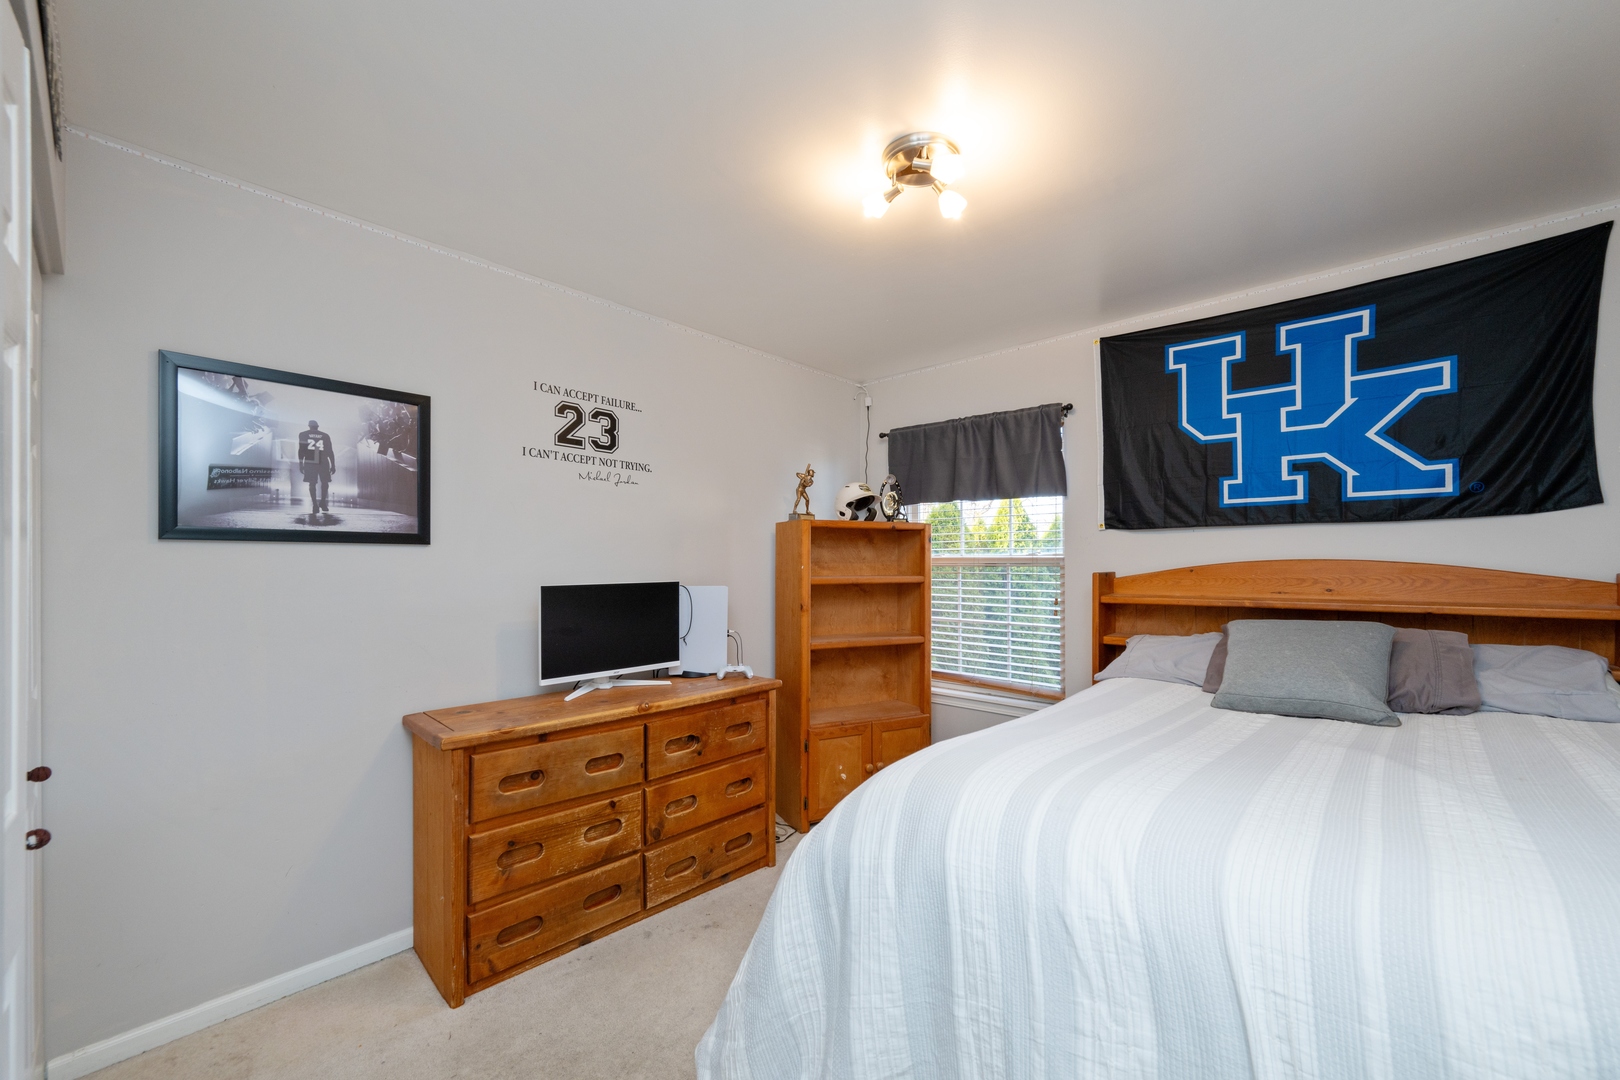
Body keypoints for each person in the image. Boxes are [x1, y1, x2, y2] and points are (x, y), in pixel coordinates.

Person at [298, 420, 336, 516]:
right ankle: (323, 502)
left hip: (310, 461)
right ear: (318, 426)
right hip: (323, 460)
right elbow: (330, 451)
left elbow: (301, 450)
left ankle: (315, 505)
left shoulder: (303, 434)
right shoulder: (325, 435)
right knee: (325, 482)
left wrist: (301, 463)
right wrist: (333, 464)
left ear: (309, 426)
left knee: (312, 483)